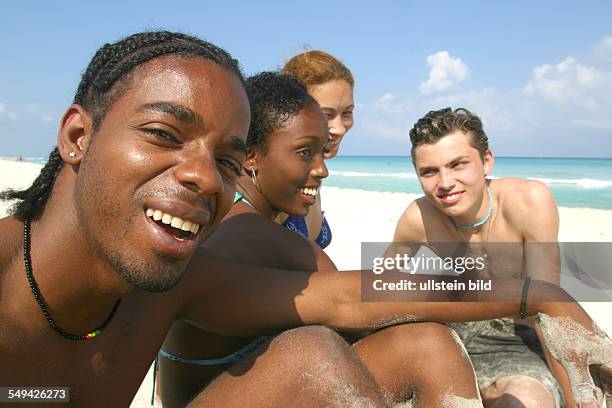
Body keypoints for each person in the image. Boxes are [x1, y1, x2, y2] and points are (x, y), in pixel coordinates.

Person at [0, 32, 610, 407]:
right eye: (162, 134)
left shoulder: (180, 277)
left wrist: (537, 292)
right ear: (78, 135)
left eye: (225, 159)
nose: (203, 176)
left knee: (317, 352)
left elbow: (356, 296)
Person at [158, 72, 482, 407]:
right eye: (305, 152)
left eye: (321, 152)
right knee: (421, 348)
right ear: (251, 156)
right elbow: (359, 303)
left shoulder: (234, 217)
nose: (322, 169)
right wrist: (519, 290)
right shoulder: (253, 233)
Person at [388, 107, 572, 407]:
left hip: (513, 340)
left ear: (486, 161)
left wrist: (574, 399)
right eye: (430, 171)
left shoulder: (528, 201)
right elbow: (378, 288)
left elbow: (547, 311)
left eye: (457, 165)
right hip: (445, 334)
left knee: (529, 401)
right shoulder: (419, 217)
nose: (445, 183)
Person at [275, 50, 356, 248]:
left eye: (347, 113)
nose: (339, 128)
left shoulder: (312, 173)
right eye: (326, 114)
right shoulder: (274, 180)